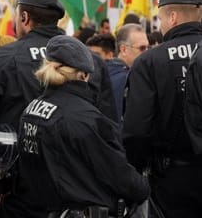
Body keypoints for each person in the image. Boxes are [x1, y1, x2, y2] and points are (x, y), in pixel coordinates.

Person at [0, 0, 117, 217]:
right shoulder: (92, 61)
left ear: (24, 17)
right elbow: (109, 132)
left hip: (19, 194)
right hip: (78, 192)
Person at [18, 35, 149, 216]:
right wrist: (144, 187)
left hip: (42, 209)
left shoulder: (31, 109)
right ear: (83, 74)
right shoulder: (85, 118)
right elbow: (118, 174)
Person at [123, 0, 202, 218]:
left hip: (171, 181)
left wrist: (136, 173)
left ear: (173, 17)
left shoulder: (150, 61)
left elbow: (136, 131)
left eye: (160, 19)